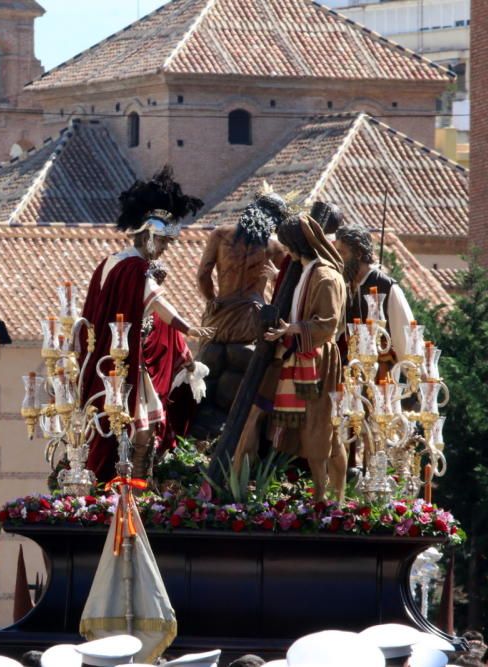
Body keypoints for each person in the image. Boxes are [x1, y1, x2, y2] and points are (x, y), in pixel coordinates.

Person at [79, 168, 210, 482]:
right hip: (126, 364)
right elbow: (157, 304)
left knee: (135, 424)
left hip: (110, 361)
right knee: (144, 426)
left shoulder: (111, 261)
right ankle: (136, 486)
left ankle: (134, 484)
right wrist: (186, 327)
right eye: (163, 242)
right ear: (149, 237)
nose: (165, 249)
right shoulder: (135, 267)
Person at [237, 214, 347, 502]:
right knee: (281, 420)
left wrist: (293, 329)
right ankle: (318, 495)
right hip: (295, 356)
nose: (284, 250)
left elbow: (328, 324)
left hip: (317, 361)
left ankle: (330, 498)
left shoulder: (325, 276)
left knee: (321, 429)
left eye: (286, 244)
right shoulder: (306, 271)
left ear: (295, 244)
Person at [197, 185, 289, 344]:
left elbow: (202, 276)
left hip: (219, 319)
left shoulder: (219, 234)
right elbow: (286, 284)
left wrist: (212, 301)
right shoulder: (273, 247)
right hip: (252, 322)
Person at [333, 224, 415, 375]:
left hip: (382, 379)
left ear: (358, 253)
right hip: (352, 376)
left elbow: (405, 338)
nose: (337, 260)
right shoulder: (346, 285)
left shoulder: (386, 287)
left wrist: (417, 378)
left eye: (342, 253)